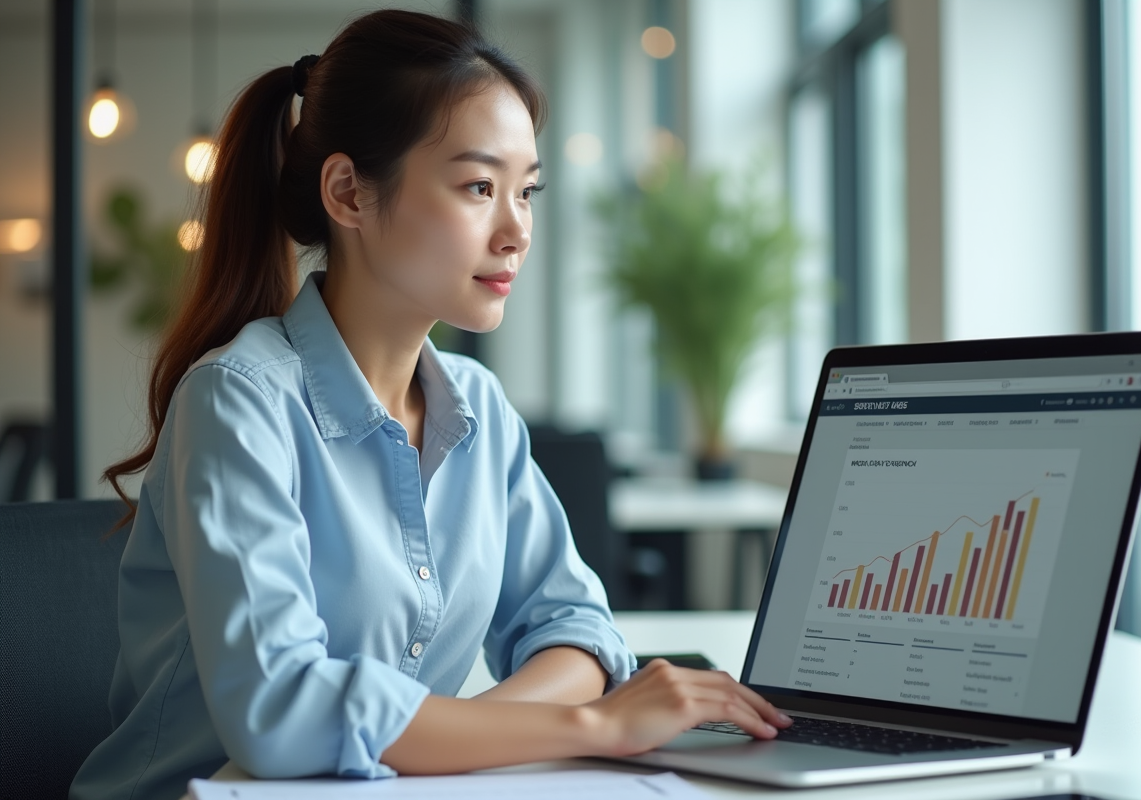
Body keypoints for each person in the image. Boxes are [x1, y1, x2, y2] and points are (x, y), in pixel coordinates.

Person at [70, 10, 790, 800]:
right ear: (348, 192)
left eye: (528, 190)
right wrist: (593, 726)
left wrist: (444, 739)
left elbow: (577, 633)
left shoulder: (479, 406)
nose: (517, 230)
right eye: (480, 187)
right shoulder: (237, 402)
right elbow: (281, 715)